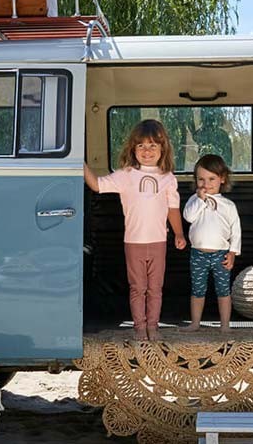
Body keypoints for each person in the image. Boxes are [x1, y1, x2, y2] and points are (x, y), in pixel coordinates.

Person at [84, 119, 186, 341]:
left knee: (155, 288)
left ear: (162, 149)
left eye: (152, 146)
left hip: (158, 242)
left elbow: (173, 210)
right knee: (137, 287)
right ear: (133, 149)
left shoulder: (168, 178)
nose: (147, 151)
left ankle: (153, 327)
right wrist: (78, 162)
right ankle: (139, 328)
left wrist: (179, 234)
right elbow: (97, 185)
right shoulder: (125, 175)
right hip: (133, 243)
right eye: (141, 145)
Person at [181, 154, 241, 333]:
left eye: (211, 179)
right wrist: (200, 199)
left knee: (223, 290)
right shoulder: (194, 200)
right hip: (198, 254)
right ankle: (195, 323)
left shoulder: (228, 205)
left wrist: (232, 253)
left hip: (221, 254)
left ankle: (225, 325)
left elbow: (235, 231)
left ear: (222, 179)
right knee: (198, 290)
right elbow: (188, 217)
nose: (206, 184)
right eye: (201, 179)